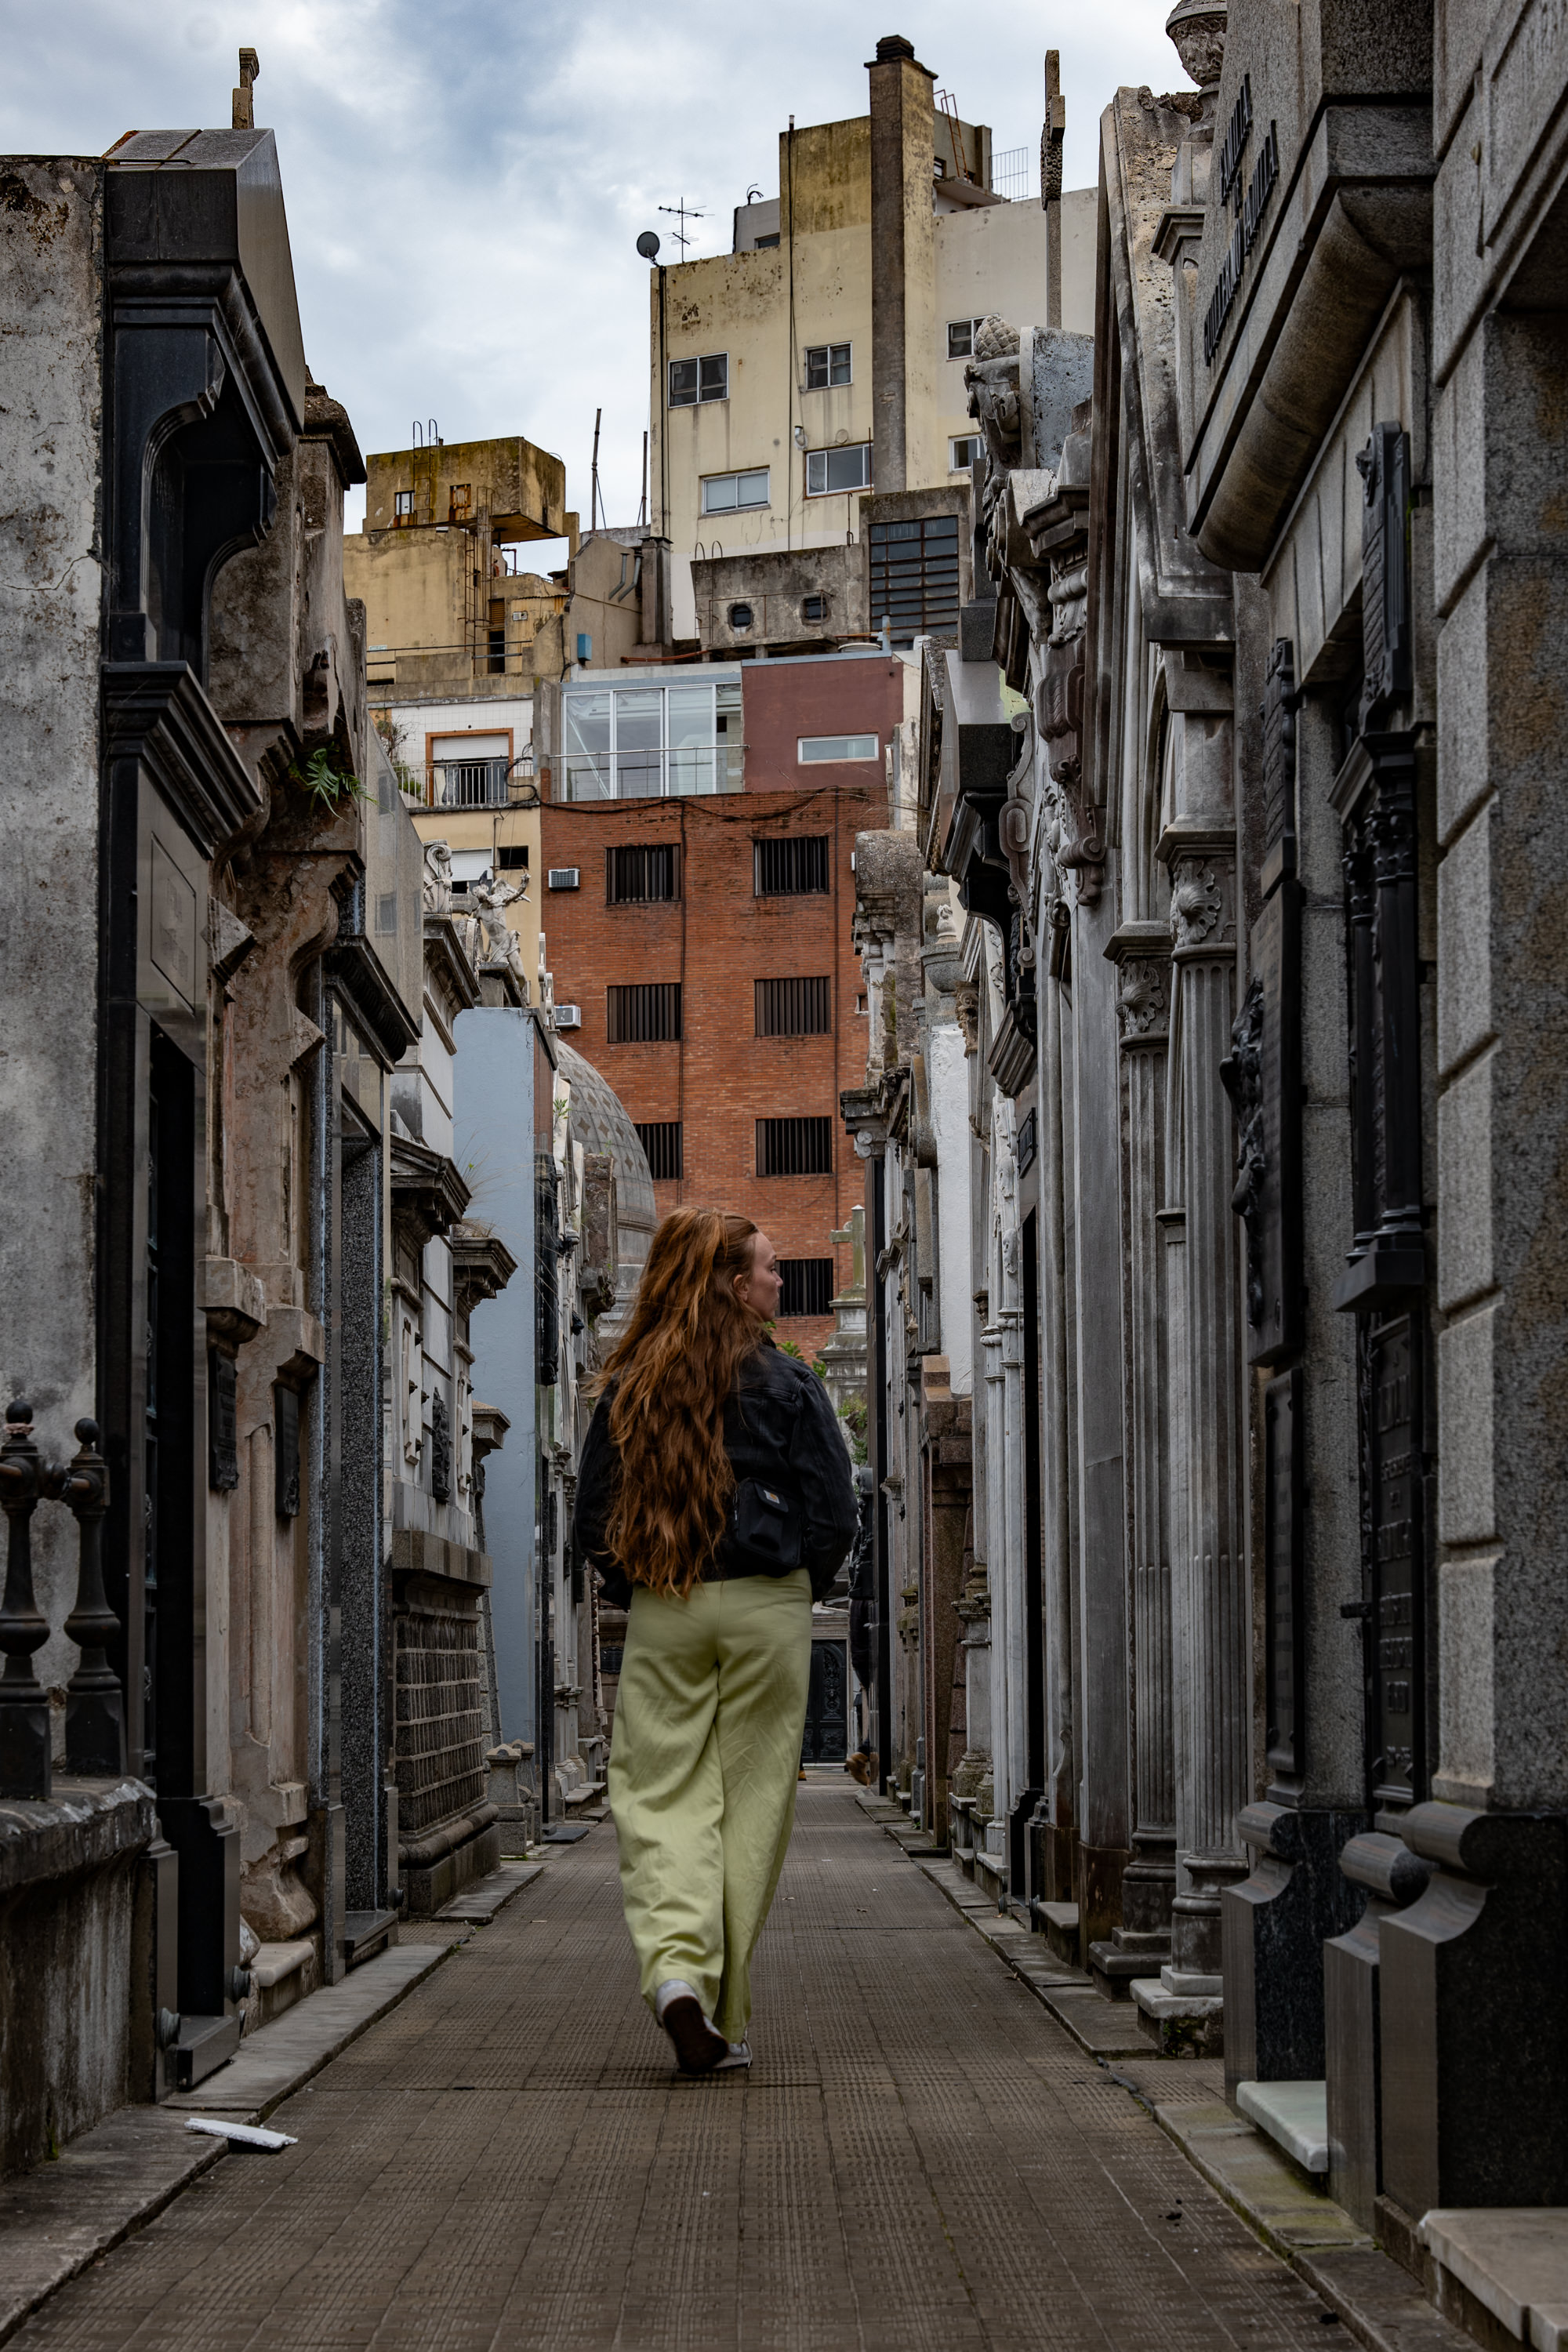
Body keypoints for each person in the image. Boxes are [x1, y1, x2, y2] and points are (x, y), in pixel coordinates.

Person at [574, 1208, 857, 2075]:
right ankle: (721, 2011)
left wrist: (640, 1591)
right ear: (737, 1287)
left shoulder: (632, 1383)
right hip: (768, 1606)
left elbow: (593, 1519)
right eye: (771, 1269)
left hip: (667, 1603)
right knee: (751, 1804)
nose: (780, 1281)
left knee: (659, 1795)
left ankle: (673, 1975)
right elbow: (834, 1512)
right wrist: (796, 1583)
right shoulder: (791, 1382)